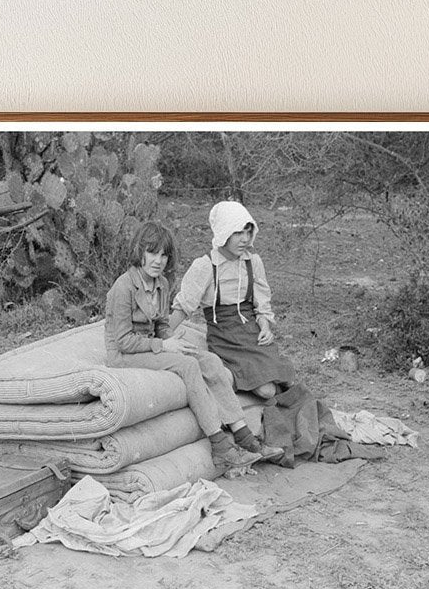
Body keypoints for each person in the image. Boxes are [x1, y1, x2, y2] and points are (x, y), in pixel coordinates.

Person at [103, 221, 282, 475]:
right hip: (125, 354)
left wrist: (174, 341)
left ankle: (244, 436)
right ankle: (220, 444)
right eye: (152, 253)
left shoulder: (162, 283)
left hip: (151, 345)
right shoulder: (123, 287)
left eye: (164, 255)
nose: (158, 261)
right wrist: (164, 345)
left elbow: (161, 324)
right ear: (139, 252)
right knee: (187, 366)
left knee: (207, 360)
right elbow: (123, 341)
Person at [170, 200, 297, 401]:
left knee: (288, 381)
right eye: (238, 233)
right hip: (224, 337)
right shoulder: (205, 266)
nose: (244, 239)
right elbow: (184, 306)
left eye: (248, 232)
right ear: (224, 233)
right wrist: (162, 338)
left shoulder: (252, 262)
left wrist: (265, 327)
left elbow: (262, 304)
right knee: (267, 391)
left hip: (251, 334)